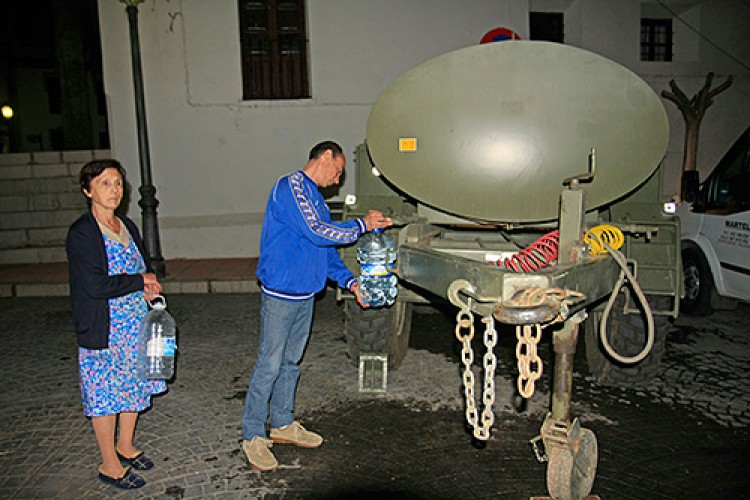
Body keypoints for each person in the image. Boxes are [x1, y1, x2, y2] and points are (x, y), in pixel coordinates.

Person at [242, 140, 392, 471]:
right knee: (269, 363)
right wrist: (362, 225)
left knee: (291, 363)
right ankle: (252, 435)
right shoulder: (291, 187)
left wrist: (352, 283)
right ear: (325, 157)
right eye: (338, 171)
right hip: (281, 295)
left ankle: (282, 424)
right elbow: (318, 231)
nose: (337, 180)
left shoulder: (317, 201)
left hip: (305, 295)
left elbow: (325, 252)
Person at [65, 159, 165, 489]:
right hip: (103, 328)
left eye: (119, 183)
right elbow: (95, 285)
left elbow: (143, 266)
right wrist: (140, 280)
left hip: (134, 323)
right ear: (87, 189)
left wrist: (148, 286)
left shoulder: (127, 226)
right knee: (104, 394)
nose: (114, 190)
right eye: (105, 183)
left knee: (133, 385)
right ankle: (109, 463)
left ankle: (126, 445)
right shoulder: (82, 233)